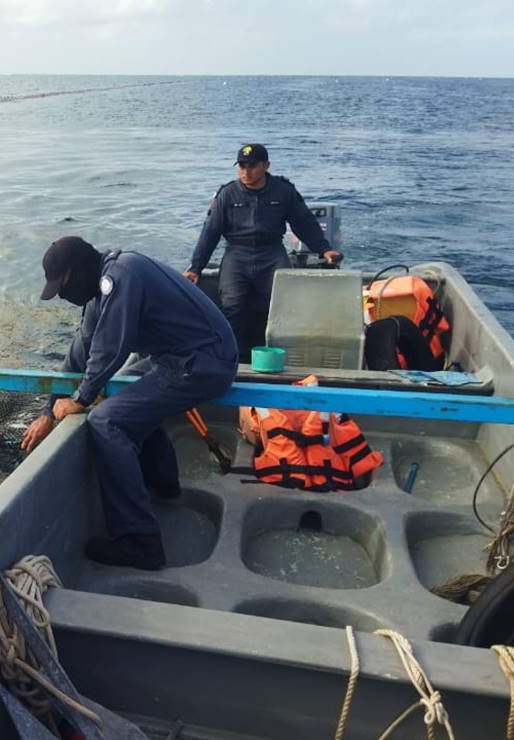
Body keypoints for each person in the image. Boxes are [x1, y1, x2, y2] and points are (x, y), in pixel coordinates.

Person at [20, 236, 238, 570]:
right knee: (124, 399)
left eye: (63, 286)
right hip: (176, 358)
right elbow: (80, 353)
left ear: (77, 272)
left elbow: (109, 350)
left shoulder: (120, 278)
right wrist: (49, 411)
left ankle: (140, 541)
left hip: (205, 361)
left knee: (105, 422)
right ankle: (164, 484)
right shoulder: (99, 293)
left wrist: (80, 400)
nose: (63, 296)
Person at [184, 144, 341, 358]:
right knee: (232, 306)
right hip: (237, 255)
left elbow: (303, 223)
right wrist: (195, 268)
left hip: (271, 252)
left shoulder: (283, 191)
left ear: (266, 166)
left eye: (252, 166)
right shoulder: (227, 194)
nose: (246, 172)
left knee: (284, 306)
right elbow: (210, 233)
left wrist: (325, 250)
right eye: (241, 166)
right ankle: (231, 360)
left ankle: (280, 358)